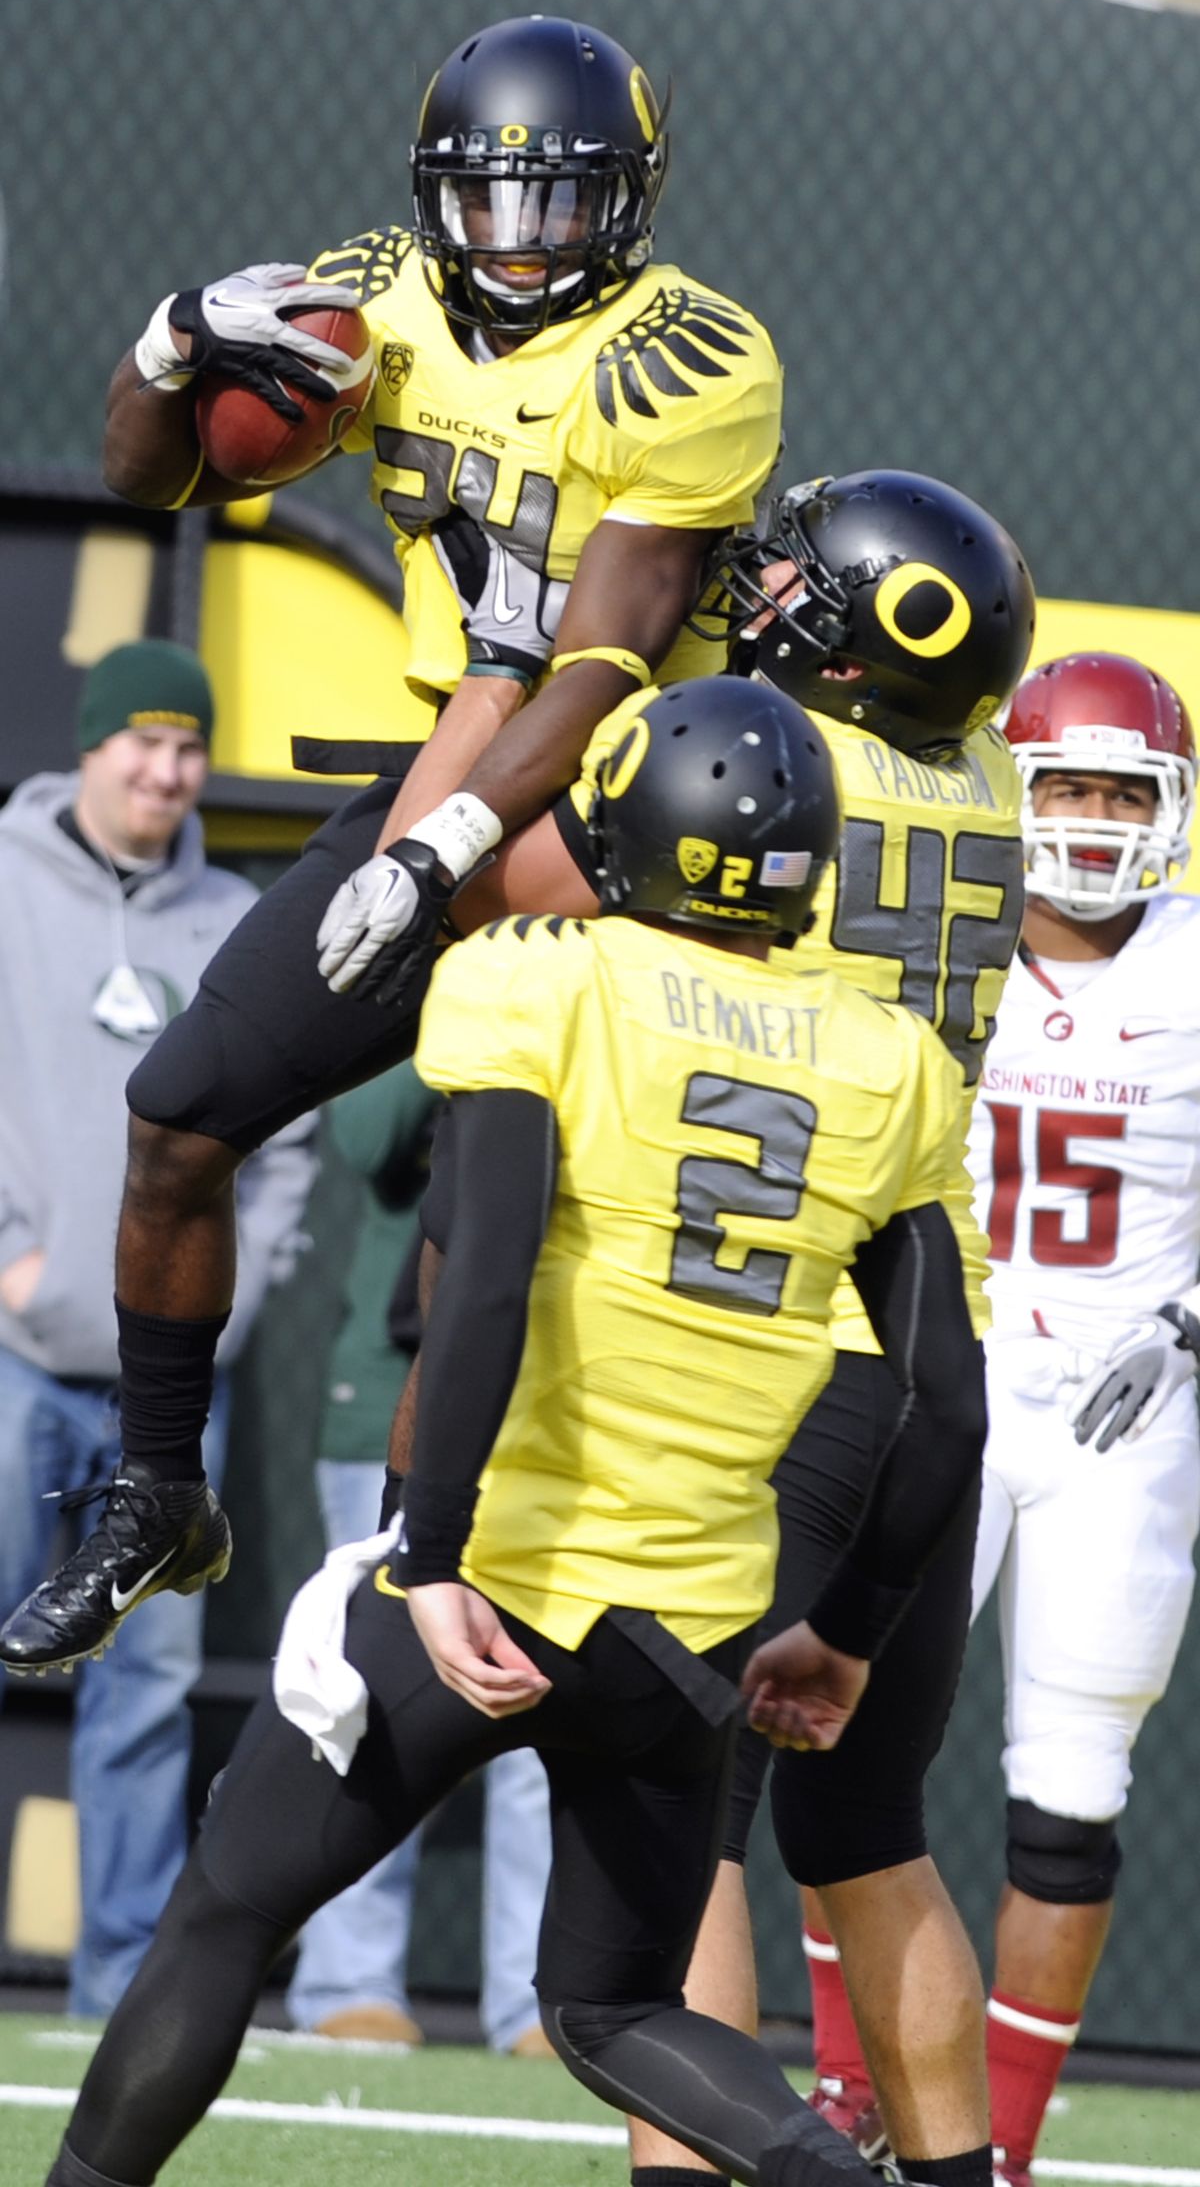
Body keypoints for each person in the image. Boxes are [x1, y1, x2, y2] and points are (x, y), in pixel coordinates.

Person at [42, 674, 988, 2187]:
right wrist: (852, 1631)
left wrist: (431, 1553)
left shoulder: (535, 978)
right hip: (691, 1625)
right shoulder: (896, 1064)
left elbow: (478, 1283)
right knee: (614, 2005)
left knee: (227, 1899)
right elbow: (944, 1411)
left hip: (493, 1577)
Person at [2, 12, 783, 1675]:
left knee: (503, 1194)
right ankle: (161, 1488)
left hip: (640, 807)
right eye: (485, 206)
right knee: (175, 1116)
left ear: (628, 206)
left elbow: (605, 654)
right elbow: (161, 485)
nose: (514, 245)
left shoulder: (693, 357)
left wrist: (434, 861)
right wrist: (166, 350)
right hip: (466, 752)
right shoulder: (385, 293)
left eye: (556, 206)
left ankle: (527, 1532)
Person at [566, 473, 1031, 2187]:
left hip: (768, 1339)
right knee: (873, 1836)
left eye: (791, 592)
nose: (761, 599)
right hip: (937, 1348)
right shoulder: (986, 788)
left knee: (680, 1835)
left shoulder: (772, 759)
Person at [0, 640, 318, 2014]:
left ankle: (116, 1984)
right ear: (89, 745)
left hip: (165, 1397)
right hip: (11, 1359)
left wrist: (234, 1299)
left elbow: (290, 1137)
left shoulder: (232, 919)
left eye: (187, 746)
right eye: (141, 740)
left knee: (140, 1692)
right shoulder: (4, 886)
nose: (166, 768)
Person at [962, 652, 1200, 2187]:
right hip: (948, 1371)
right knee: (848, 1736)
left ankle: (1000, 2154)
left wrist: (1187, 1321)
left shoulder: (1189, 960)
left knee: (1071, 1785)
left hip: (1133, 1403)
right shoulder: (943, 926)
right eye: (1071, 787)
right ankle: (856, 2088)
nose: (1099, 822)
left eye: (1128, 790)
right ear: (1016, 794)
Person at [285, 1061, 553, 2056]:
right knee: (372, 1705)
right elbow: (362, 1136)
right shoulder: (439, 968)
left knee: (536, 1710)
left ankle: (535, 2001)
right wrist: (451, 965)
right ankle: (348, 1979)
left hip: (564, 1406)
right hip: (394, 1399)